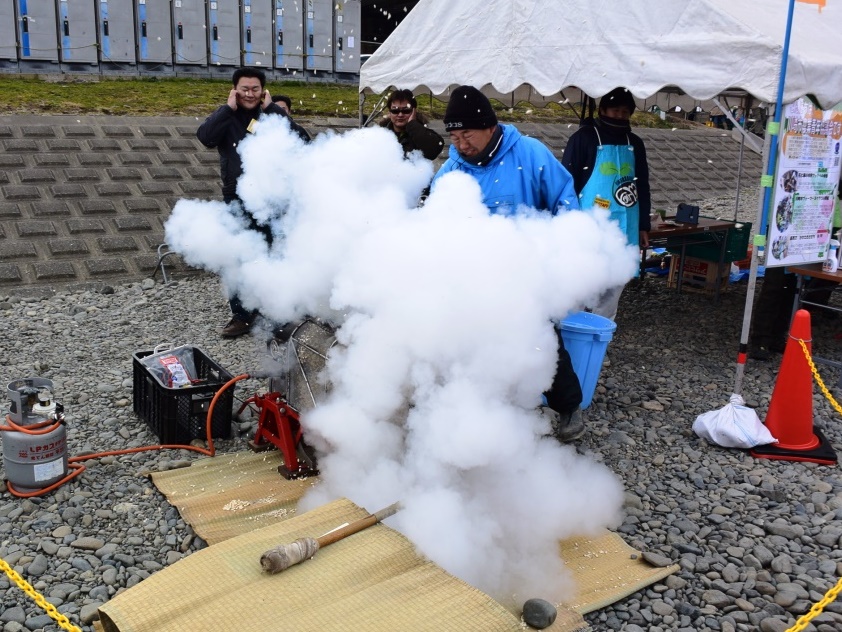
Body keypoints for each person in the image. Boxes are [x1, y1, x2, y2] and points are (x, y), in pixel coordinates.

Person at [430, 85, 584, 442]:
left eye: (466, 134)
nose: (460, 144)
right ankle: (493, 413)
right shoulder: (450, 172)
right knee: (476, 348)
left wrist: (559, 251)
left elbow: (565, 201)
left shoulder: (530, 154)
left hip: (530, 274)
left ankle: (569, 408)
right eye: (454, 136)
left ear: (489, 126)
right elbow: (433, 228)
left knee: (545, 342)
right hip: (478, 281)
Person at [197, 67, 289, 338]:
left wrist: (273, 110)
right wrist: (227, 109)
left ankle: (273, 312)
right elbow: (205, 137)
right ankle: (241, 315)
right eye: (244, 89)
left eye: (255, 89)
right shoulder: (226, 116)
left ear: (263, 91)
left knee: (271, 256)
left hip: (269, 198)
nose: (250, 94)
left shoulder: (271, 115)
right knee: (236, 257)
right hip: (236, 197)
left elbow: (300, 138)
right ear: (235, 90)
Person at [561, 87, 652, 320]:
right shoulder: (583, 139)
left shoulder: (635, 143)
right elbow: (566, 186)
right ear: (602, 110)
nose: (619, 116)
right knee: (581, 283)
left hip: (627, 224)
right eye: (615, 110)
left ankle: (601, 337)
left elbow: (642, 185)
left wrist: (643, 225)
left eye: (625, 112)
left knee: (615, 283)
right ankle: (571, 340)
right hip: (589, 225)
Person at [379, 88, 444, 160]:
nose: (400, 115)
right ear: (389, 112)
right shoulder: (380, 134)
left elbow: (434, 149)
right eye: (395, 111)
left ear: (414, 111)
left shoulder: (420, 132)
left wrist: (412, 125)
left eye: (406, 110)